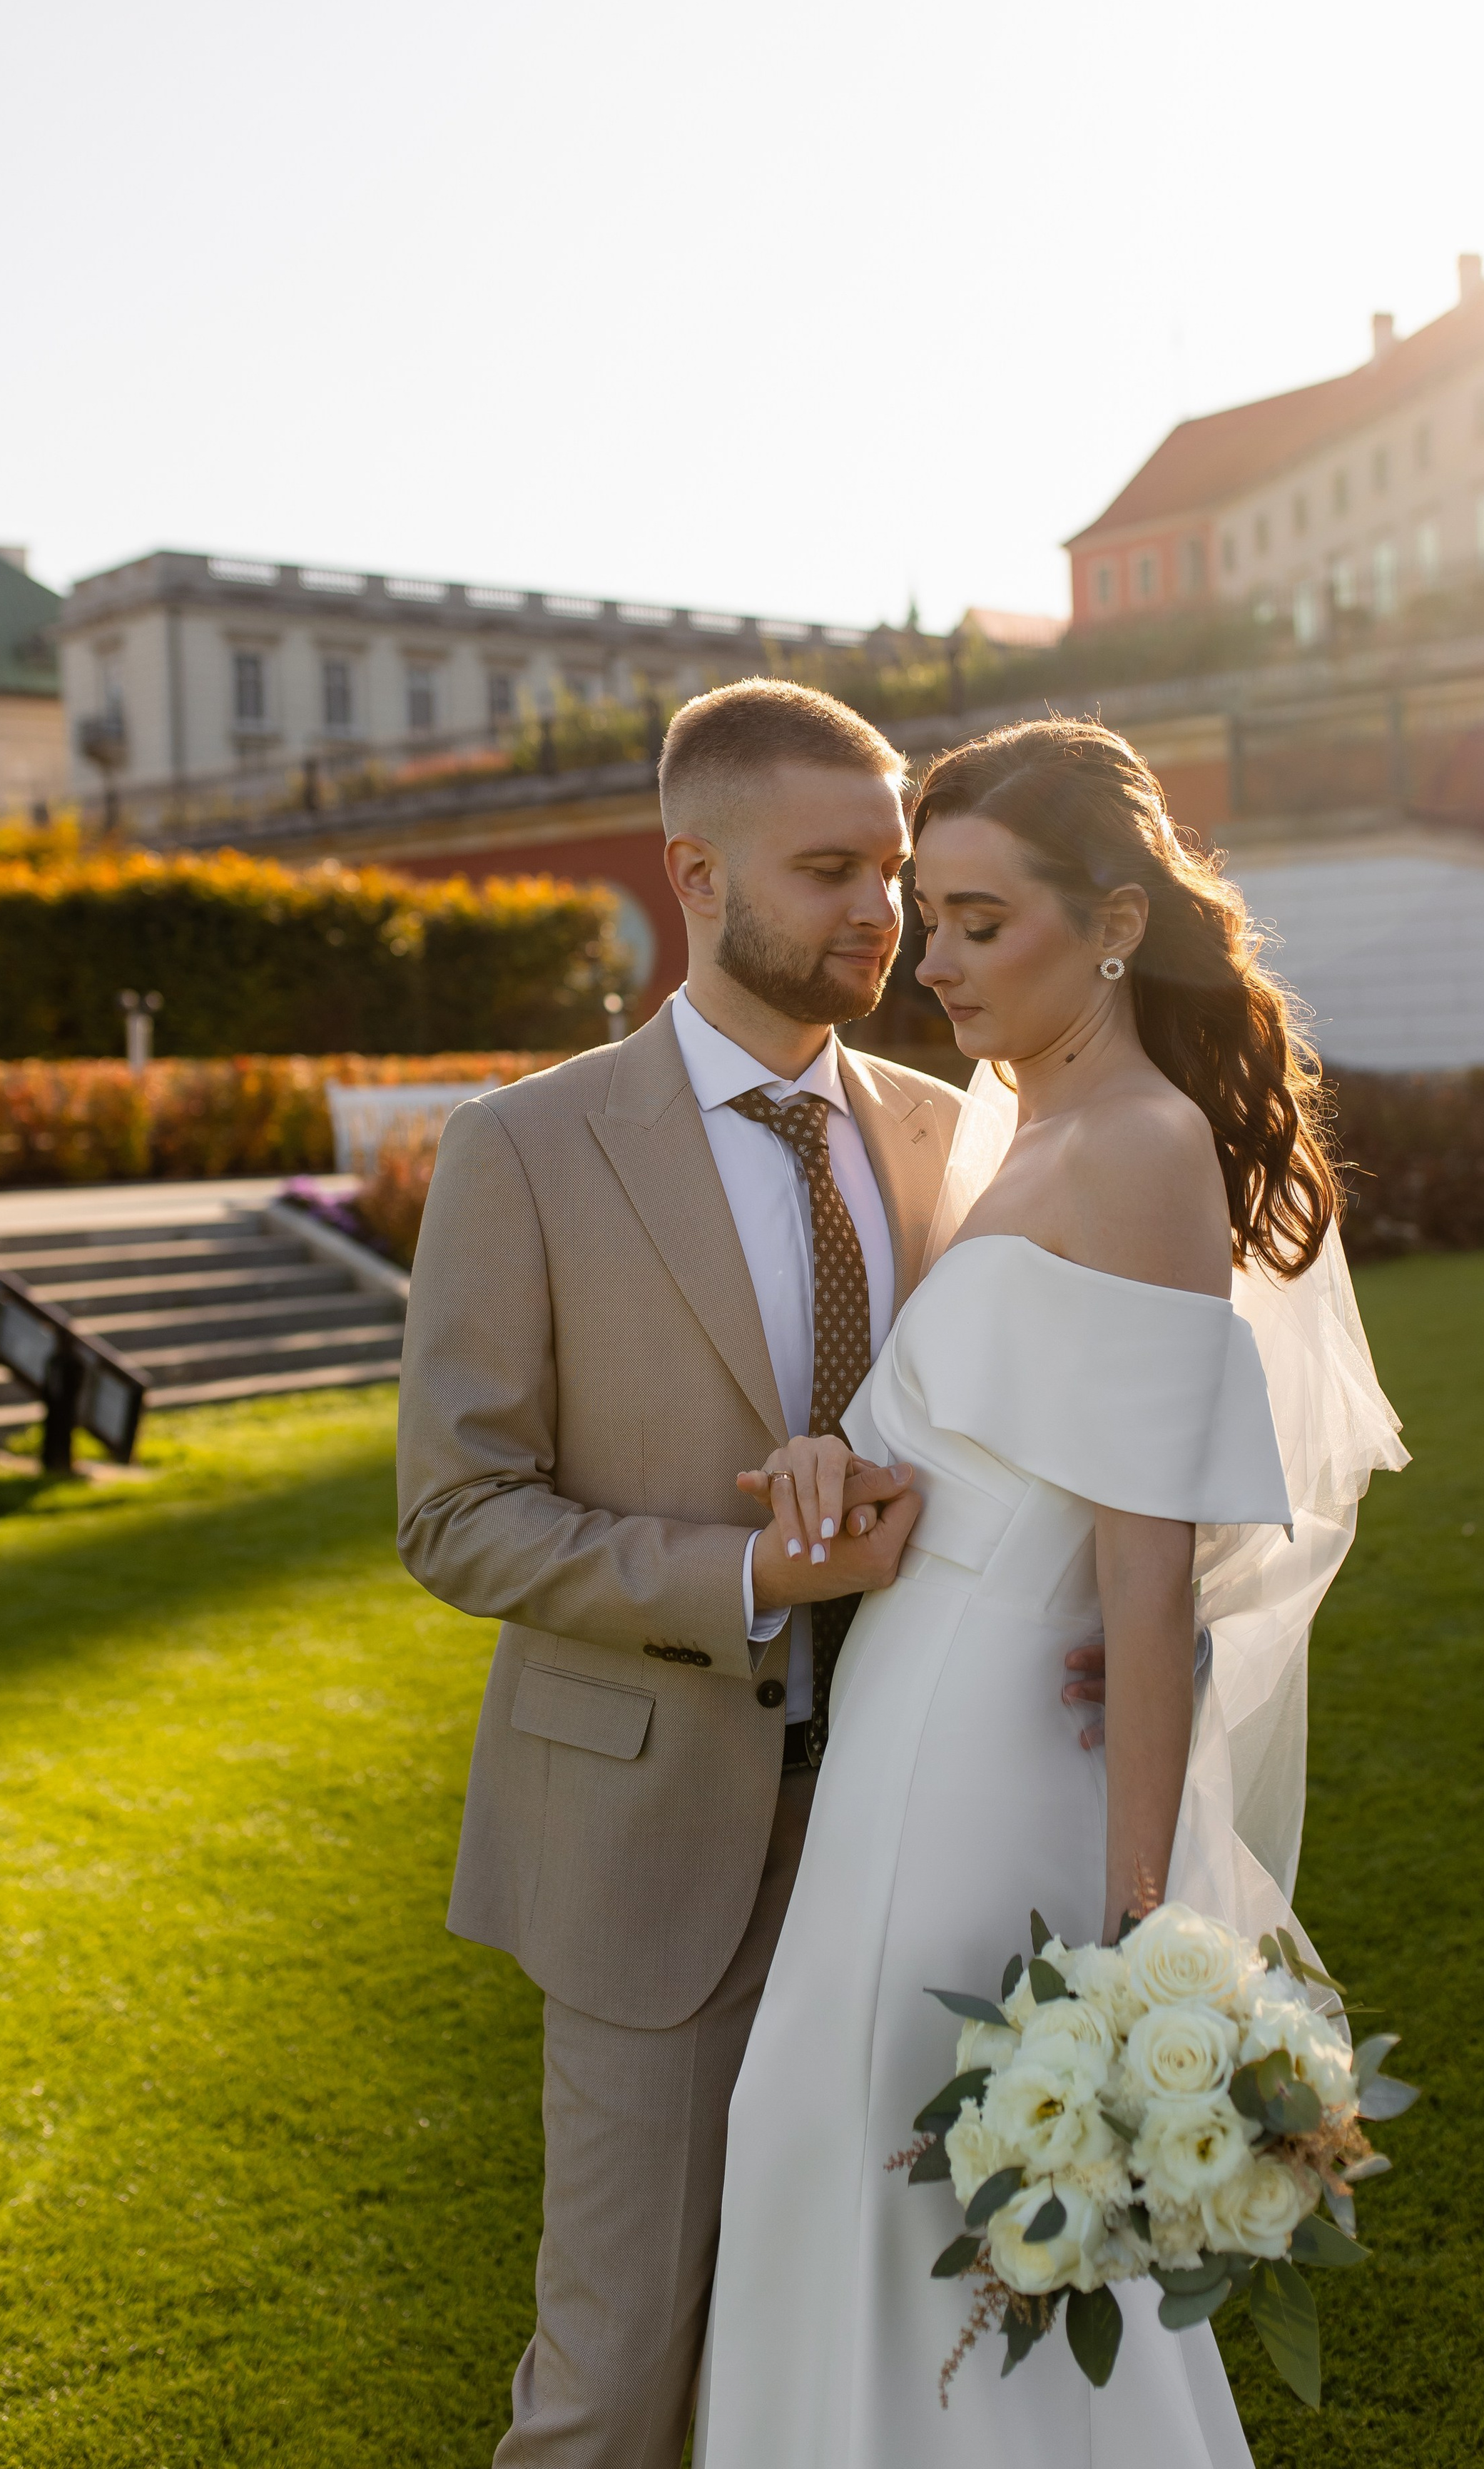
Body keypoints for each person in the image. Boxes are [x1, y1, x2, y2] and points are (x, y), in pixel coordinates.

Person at [396, 679, 1104, 2469]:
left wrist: (1092, 1611)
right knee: (618, 2372)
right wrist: (745, 1579)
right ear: (692, 872)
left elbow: (1030, 1436)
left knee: (856, 2349)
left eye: (891, 869)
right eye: (829, 871)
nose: (881, 911)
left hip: (926, 1830)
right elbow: (455, 1512)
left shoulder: (960, 1134)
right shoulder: (526, 1149)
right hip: (652, 1848)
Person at [697, 717, 1405, 2468]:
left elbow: (1143, 1578)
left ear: (1109, 922)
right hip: (900, 1740)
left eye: (976, 921)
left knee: (937, 2195)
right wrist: (827, 1470)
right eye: (925, 917)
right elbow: (977, 1458)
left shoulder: (1142, 1147)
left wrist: (1142, 1940)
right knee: (833, 2162)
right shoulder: (1018, 1130)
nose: (928, 961)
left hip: (985, 1765)